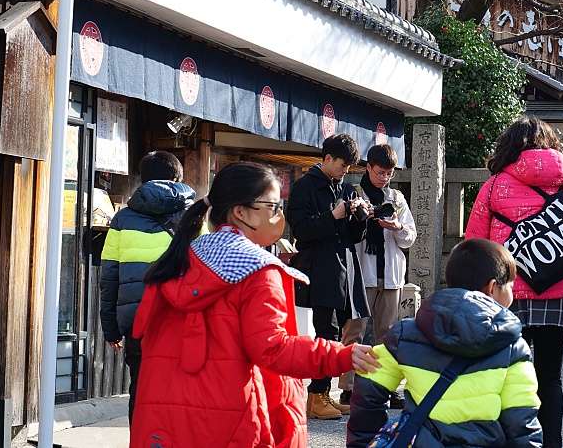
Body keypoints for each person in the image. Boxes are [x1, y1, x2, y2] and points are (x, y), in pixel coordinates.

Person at [130, 161, 378, 448]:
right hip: (231, 420)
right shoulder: (258, 270)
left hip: (165, 422)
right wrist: (340, 355)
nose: (279, 215)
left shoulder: (179, 262)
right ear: (240, 212)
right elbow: (273, 348)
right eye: (272, 206)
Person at [466, 117, 563, 448]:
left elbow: (474, 246)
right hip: (561, 292)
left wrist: (471, 301)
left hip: (507, 294)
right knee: (550, 378)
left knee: (505, 376)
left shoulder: (494, 185)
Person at [345, 238, 543, 448]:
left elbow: (369, 386)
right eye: (510, 286)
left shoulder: (408, 333)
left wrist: (363, 442)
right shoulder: (512, 346)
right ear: (492, 288)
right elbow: (521, 421)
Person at [99, 151, 196, 418]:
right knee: (182, 390)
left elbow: (109, 277)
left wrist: (110, 329)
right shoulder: (196, 217)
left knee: (141, 389)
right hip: (182, 319)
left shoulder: (122, 219)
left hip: (138, 321)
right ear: (177, 178)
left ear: (143, 180)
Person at [287, 134, 371, 420]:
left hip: (343, 268)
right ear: (327, 158)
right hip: (319, 268)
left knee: (336, 331)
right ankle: (316, 396)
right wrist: (332, 215)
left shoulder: (346, 188)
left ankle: (321, 395)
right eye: (342, 164)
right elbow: (300, 230)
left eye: (349, 166)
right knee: (326, 332)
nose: (345, 170)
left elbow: (352, 236)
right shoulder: (304, 187)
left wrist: (361, 218)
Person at [346, 144, 416, 410]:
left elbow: (409, 237)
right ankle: (349, 387)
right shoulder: (355, 194)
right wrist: (363, 217)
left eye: (389, 173)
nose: (384, 178)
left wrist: (396, 226)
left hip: (390, 276)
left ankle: (386, 387)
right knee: (355, 332)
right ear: (368, 168)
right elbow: (348, 234)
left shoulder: (396, 198)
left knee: (387, 336)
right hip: (362, 273)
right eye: (380, 172)